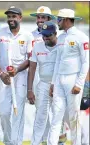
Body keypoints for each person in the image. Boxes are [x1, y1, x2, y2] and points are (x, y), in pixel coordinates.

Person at [0, 6, 34, 145]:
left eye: (14, 17)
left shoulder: (27, 36)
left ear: (20, 18)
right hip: (4, 78)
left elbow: (31, 59)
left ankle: (16, 142)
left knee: (18, 113)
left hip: (20, 77)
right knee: (3, 113)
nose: (11, 19)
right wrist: (1, 73)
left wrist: (17, 69)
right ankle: (8, 141)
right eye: (9, 17)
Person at [48, 9, 89, 145]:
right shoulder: (60, 37)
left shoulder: (81, 37)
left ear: (66, 19)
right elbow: (58, 62)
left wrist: (79, 83)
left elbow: (86, 62)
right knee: (56, 116)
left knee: (73, 117)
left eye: (59, 19)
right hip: (59, 79)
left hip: (73, 80)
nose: (57, 22)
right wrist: (53, 83)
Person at [29, 6, 57, 145]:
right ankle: (40, 141)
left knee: (56, 116)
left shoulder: (60, 39)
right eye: (38, 17)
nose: (40, 20)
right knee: (41, 114)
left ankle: (55, 141)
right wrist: (30, 89)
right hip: (40, 80)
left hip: (57, 81)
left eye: (43, 17)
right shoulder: (30, 35)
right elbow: (31, 64)